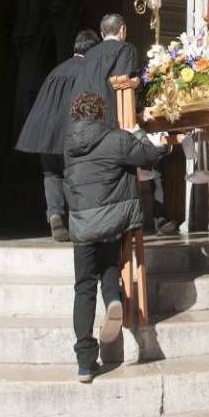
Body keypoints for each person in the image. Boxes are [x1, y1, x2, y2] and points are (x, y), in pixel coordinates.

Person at [64, 90, 164, 383]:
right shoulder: (117, 138)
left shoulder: (69, 145)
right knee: (109, 263)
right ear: (100, 114)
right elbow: (149, 157)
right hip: (110, 221)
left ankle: (85, 361)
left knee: (83, 287)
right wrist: (138, 133)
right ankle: (113, 300)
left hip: (82, 223)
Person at [15, 29, 100, 241]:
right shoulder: (90, 71)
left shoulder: (57, 70)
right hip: (73, 133)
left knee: (52, 174)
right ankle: (75, 220)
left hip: (47, 134)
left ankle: (54, 214)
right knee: (74, 175)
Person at [72, 14, 138, 127]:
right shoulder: (126, 49)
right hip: (111, 118)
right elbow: (122, 83)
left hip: (85, 117)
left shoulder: (89, 54)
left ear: (102, 34)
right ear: (123, 30)